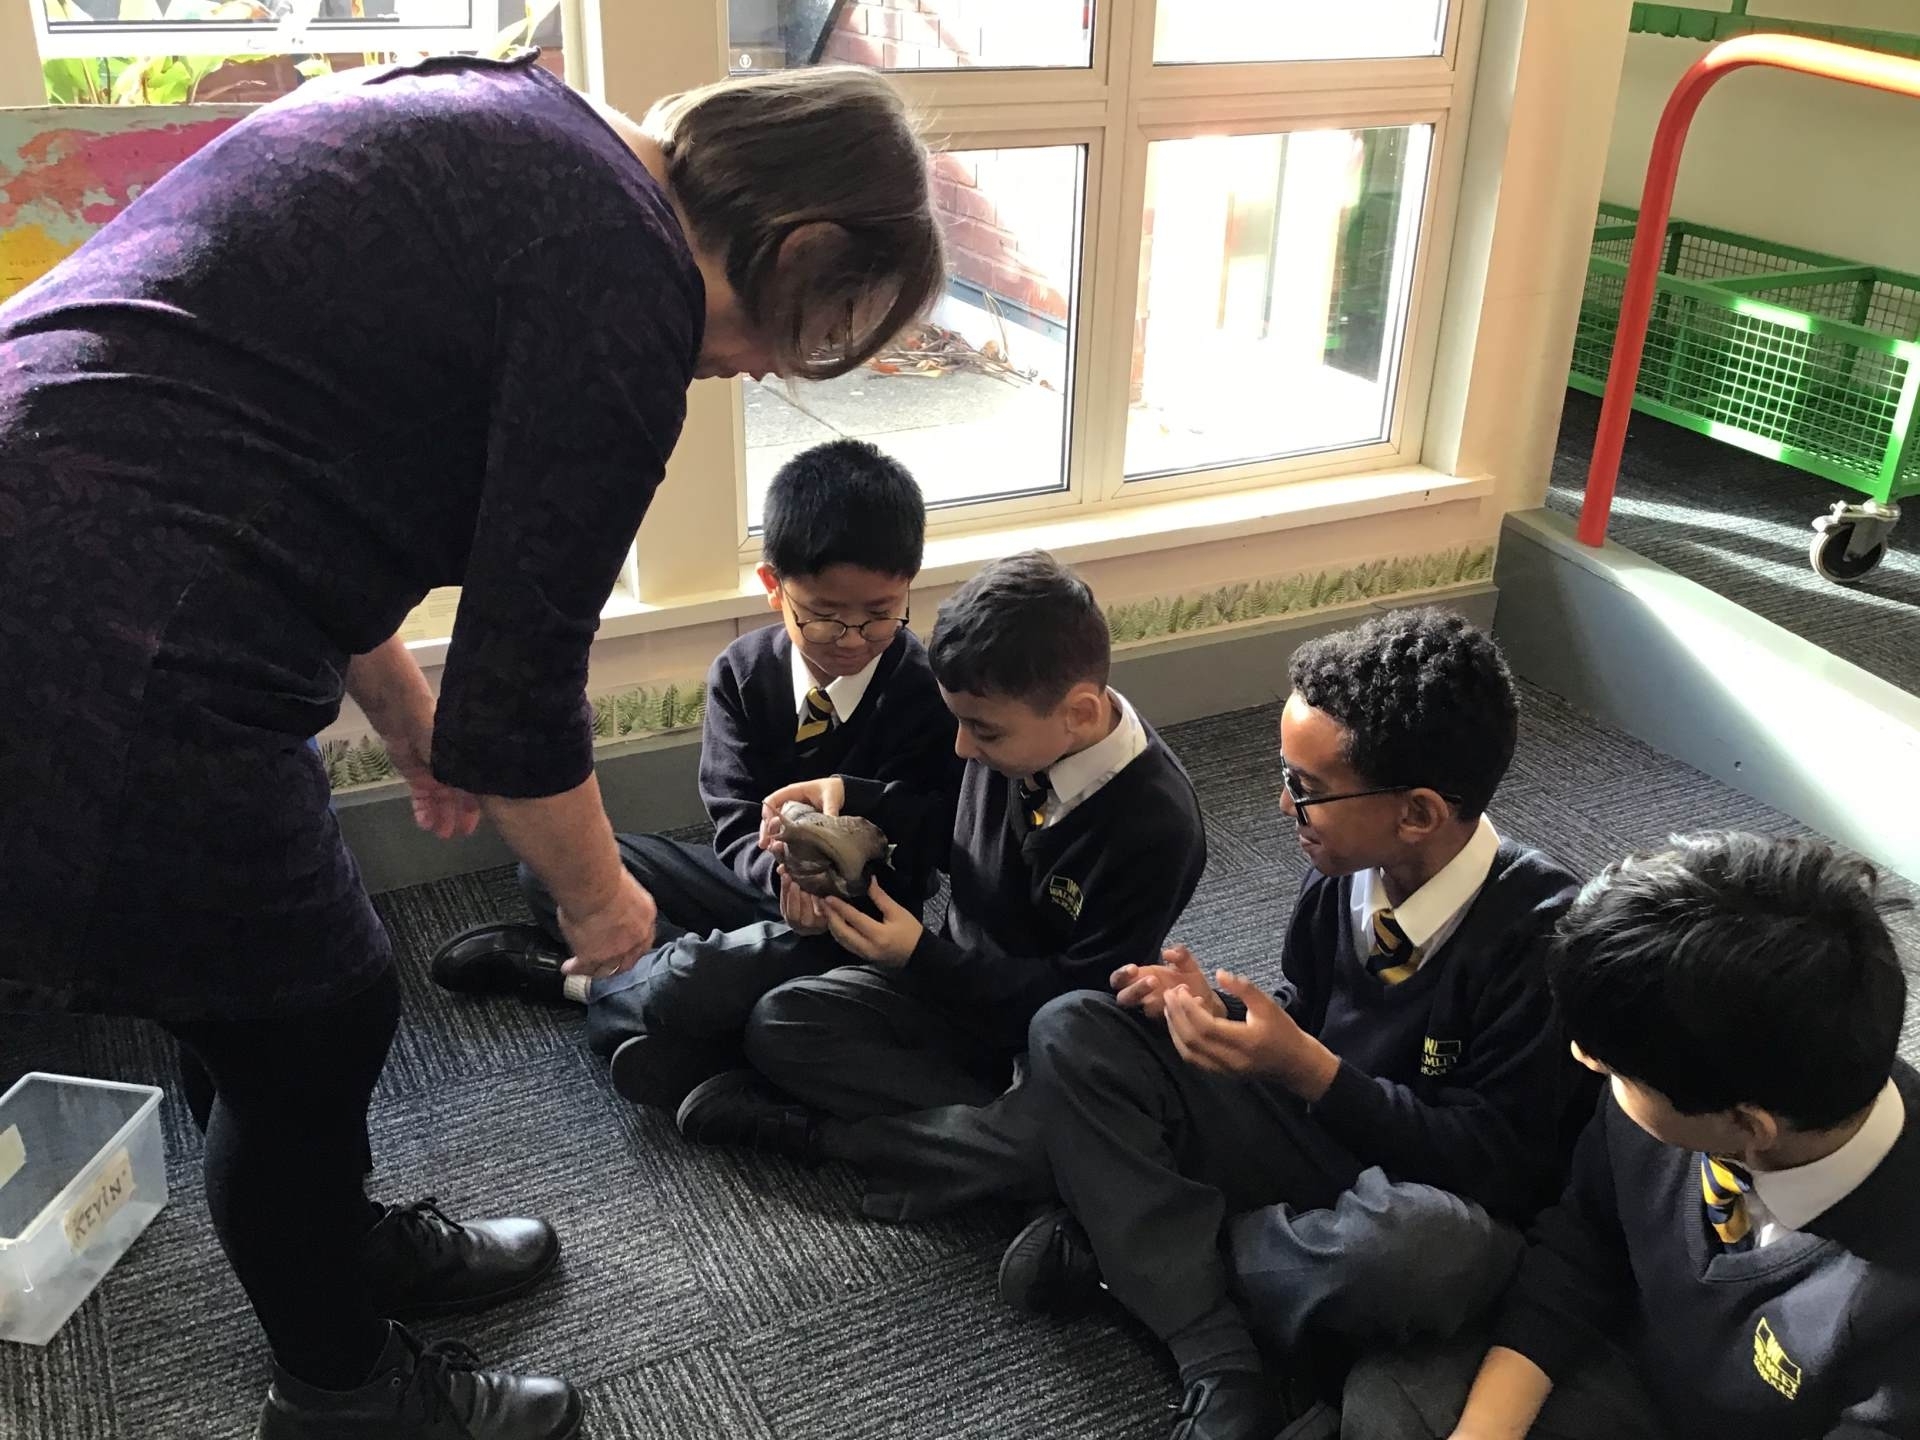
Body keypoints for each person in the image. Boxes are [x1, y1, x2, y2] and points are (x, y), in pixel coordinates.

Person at [0, 53, 941, 1440]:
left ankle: (333, 1243)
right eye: (807, 333)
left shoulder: (523, 119)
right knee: (314, 1018)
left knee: (252, 995)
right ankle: (343, 1391)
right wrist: (603, 908)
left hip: (81, 532)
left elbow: (298, 455)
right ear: (795, 247)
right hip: (99, 620)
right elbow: (524, 681)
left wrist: (403, 714)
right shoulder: (626, 283)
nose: (753, 366)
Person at [998, 609, 1585, 1440]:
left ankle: (1151, 1266)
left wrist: (1308, 1069)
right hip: (1317, 1137)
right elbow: (1309, 1012)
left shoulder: (1542, 941)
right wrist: (1222, 1016)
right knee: (1074, 1029)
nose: (1283, 803)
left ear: (1417, 814)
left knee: (1422, 1252)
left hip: (1429, 1196)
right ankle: (1213, 1332)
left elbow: (1502, 1169)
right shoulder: (1342, 869)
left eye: (1305, 788)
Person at [676, 551, 1210, 1226]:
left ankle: (828, 1139)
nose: (960, 748)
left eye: (980, 730)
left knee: (1043, 1142)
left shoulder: (1157, 826)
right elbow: (953, 834)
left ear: (1077, 713)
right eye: (957, 721)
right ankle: (978, 1155)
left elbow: (1075, 999)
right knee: (783, 1021)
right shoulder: (1011, 735)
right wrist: (851, 794)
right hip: (955, 986)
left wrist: (918, 956)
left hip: (1047, 1033)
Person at [430, 438, 958, 1107]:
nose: (854, 638)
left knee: (692, 982)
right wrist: (778, 876)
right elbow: (734, 819)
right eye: (825, 617)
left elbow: (928, 833)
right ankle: (681, 1008)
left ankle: (587, 986)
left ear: (908, 585)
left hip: (855, 918)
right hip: (758, 882)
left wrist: (825, 890)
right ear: (774, 586)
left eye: (880, 614)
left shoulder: (924, 690)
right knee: (559, 870)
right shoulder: (742, 671)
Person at [1344, 832, 1920, 1440]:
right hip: (1632, 1373)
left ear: (1747, 1126)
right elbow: (1584, 1243)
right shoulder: (1689, 1072)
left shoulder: (1896, 1303)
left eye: (1617, 1073)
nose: (1584, 1060)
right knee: (1390, 1399)